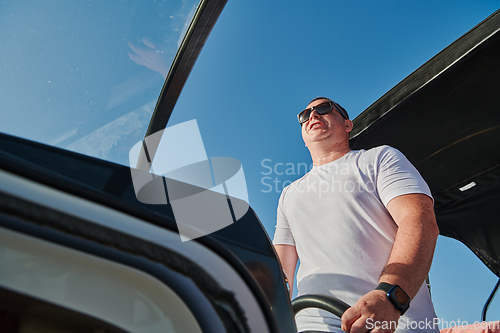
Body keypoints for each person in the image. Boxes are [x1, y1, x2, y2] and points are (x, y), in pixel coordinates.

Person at [273, 97, 440, 333]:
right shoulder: (288, 194)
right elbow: (280, 270)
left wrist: (391, 298)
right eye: (305, 114)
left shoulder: (379, 159)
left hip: (394, 323)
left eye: (324, 108)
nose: (313, 116)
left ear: (348, 124)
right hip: (312, 325)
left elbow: (419, 221)